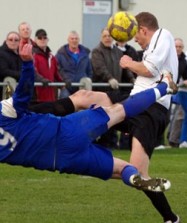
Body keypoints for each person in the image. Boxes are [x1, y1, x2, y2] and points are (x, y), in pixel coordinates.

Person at [0, 43, 176, 195]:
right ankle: (164, 87)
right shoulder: (3, 112)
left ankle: (133, 177)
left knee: (121, 169)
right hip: (66, 132)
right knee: (120, 109)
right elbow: (24, 92)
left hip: (61, 161)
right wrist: (28, 63)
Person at [119, 12, 181, 223]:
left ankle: (171, 218)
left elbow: (148, 69)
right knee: (89, 98)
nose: (135, 39)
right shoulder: (151, 48)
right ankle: (25, 112)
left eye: (136, 34)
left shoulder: (163, 35)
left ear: (144, 30)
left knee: (137, 175)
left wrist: (128, 62)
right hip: (138, 104)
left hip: (150, 109)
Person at [91, 28, 124, 149]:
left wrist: (132, 79)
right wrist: (110, 78)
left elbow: (124, 68)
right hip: (102, 90)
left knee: (114, 116)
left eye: (109, 36)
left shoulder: (118, 52)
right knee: (102, 117)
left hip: (115, 90)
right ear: (101, 37)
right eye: (104, 36)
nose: (107, 38)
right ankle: (102, 142)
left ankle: (112, 142)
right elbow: (99, 68)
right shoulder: (96, 51)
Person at [167, 37, 187, 147]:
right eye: (176, 46)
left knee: (174, 117)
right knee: (165, 116)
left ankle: (171, 139)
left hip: (174, 91)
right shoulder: (167, 58)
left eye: (180, 47)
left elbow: (186, 76)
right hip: (163, 88)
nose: (178, 48)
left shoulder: (183, 60)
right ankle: (158, 142)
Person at [55, 31, 93, 98]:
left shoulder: (85, 54)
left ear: (79, 40)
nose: (74, 41)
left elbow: (89, 70)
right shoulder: (60, 54)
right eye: (72, 39)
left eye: (76, 39)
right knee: (65, 102)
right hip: (66, 87)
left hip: (82, 87)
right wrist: (64, 80)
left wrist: (88, 80)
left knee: (84, 106)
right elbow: (57, 70)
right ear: (68, 40)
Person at [32, 29, 63, 103]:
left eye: (44, 38)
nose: (42, 40)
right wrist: (42, 80)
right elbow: (33, 72)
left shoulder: (52, 57)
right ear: (35, 40)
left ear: (48, 39)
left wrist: (64, 82)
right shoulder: (33, 55)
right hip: (37, 93)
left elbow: (57, 74)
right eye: (40, 38)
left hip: (51, 94)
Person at [0, 31, 22, 98]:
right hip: (5, 88)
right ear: (6, 41)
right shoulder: (1, 53)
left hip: (18, 88)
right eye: (10, 39)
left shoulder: (20, 54)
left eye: (16, 40)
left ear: (19, 42)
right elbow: (3, 71)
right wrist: (20, 74)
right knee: (9, 80)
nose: (13, 42)